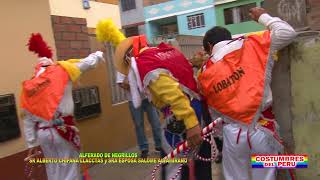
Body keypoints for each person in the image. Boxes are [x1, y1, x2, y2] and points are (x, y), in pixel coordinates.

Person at [198, 7, 297, 180]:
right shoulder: (252, 45)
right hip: (263, 130)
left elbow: (213, 112)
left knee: (236, 177)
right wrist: (262, 17)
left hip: (232, 135)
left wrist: (223, 135)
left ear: (209, 46)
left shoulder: (204, 73)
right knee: (265, 174)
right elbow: (288, 33)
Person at [113, 34, 212, 180]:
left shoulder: (146, 64)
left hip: (183, 118)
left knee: (174, 169)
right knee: (201, 167)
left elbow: (174, 95)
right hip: (202, 112)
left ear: (130, 56)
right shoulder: (167, 52)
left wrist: (191, 124)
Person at [21, 33, 105, 180]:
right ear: (51, 63)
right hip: (62, 130)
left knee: (53, 170)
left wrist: (31, 143)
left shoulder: (30, 86)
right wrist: (98, 54)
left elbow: (27, 118)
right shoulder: (62, 71)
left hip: (43, 133)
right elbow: (86, 63)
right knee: (70, 169)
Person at [116, 71, 162, 158]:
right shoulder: (122, 66)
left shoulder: (141, 61)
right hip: (133, 99)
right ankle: (144, 149)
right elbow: (120, 82)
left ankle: (159, 146)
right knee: (138, 124)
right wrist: (133, 87)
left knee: (155, 122)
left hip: (148, 97)